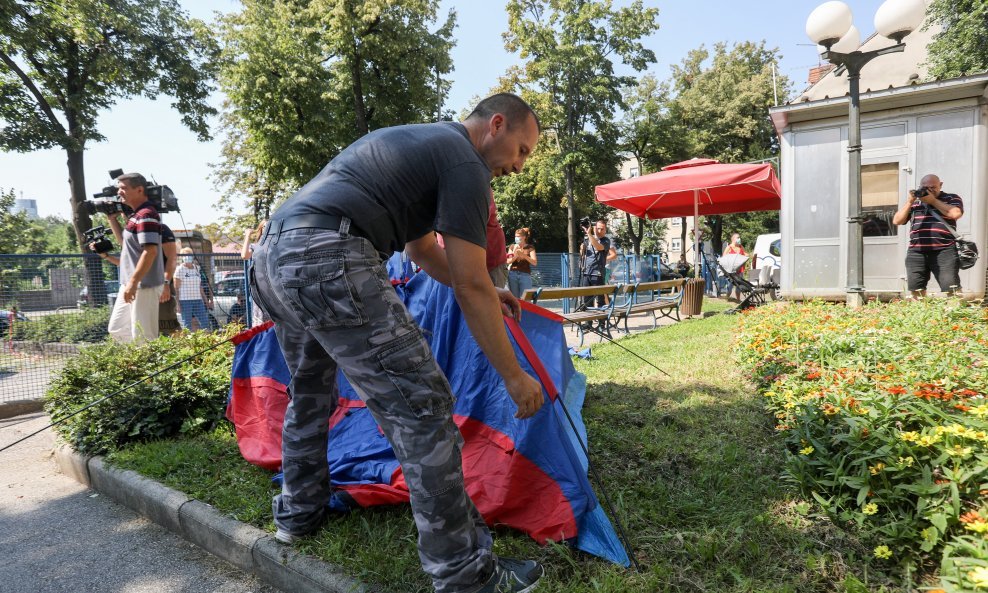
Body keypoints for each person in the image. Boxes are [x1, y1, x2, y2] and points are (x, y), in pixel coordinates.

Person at [249, 93, 545, 593]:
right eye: (522, 150)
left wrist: (488, 290)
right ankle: (465, 576)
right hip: (330, 256)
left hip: (273, 257)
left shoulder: (423, 143)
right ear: (496, 124)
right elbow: (470, 285)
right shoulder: (465, 163)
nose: (518, 166)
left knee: (310, 393)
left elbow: (423, 250)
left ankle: (298, 514)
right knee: (423, 408)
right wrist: (514, 378)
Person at [92, 172, 165, 344]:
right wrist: (112, 219)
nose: (119, 193)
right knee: (117, 329)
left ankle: (150, 365)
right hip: (129, 283)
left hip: (144, 284)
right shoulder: (136, 216)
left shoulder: (146, 215)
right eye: (119, 189)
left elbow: (150, 251)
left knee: (144, 336)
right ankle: (140, 360)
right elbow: (125, 245)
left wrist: (133, 282)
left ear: (139, 190)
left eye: (123, 188)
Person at [892, 174, 964, 297]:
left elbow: (955, 214)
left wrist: (933, 201)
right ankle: (920, 314)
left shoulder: (951, 198)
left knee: (951, 288)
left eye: (933, 187)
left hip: (944, 250)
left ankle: (955, 314)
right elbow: (897, 221)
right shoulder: (915, 202)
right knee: (916, 289)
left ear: (940, 185)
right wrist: (910, 201)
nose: (929, 190)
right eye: (925, 187)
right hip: (916, 251)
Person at [174, 247, 212, 331]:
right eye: (185, 255)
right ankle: (188, 342)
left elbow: (200, 286)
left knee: (205, 322)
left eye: (189, 255)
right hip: (185, 300)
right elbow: (176, 288)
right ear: (182, 257)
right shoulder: (179, 269)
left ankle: (205, 340)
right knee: (187, 324)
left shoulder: (197, 268)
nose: (188, 257)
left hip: (198, 300)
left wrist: (206, 300)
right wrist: (177, 304)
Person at [578, 219, 611, 308]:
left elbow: (599, 247)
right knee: (586, 300)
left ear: (605, 230)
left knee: (600, 300)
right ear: (594, 228)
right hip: (586, 272)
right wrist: (582, 249)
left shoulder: (606, 240)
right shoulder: (587, 239)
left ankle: (602, 322)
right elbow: (582, 255)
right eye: (598, 228)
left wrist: (589, 234)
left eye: (602, 229)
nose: (600, 231)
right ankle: (588, 322)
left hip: (598, 273)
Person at [241, 220, 268, 325]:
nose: (267, 228)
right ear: (261, 229)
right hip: (260, 285)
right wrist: (247, 236)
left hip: (274, 284)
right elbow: (245, 256)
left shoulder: (275, 244)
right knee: (260, 314)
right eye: (265, 226)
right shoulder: (255, 246)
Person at [157, 223, 181, 336]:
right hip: (141, 288)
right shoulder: (130, 230)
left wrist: (165, 283)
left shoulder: (161, 228)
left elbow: (172, 258)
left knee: (170, 327)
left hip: (162, 286)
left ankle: (186, 351)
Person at [506, 227, 537, 298]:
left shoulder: (530, 248)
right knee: (514, 299)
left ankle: (524, 310)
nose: (516, 238)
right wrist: (515, 255)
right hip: (512, 274)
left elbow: (534, 262)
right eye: (515, 236)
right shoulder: (512, 246)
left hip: (525, 275)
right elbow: (508, 261)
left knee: (525, 299)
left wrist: (524, 255)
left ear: (524, 237)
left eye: (518, 236)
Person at [722, 233, 747, 300]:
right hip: (731, 271)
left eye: (739, 237)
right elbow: (723, 258)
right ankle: (727, 298)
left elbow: (745, 254)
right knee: (730, 285)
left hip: (740, 270)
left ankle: (738, 299)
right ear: (733, 239)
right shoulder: (729, 247)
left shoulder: (741, 247)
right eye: (738, 237)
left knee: (739, 286)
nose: (739, 239)